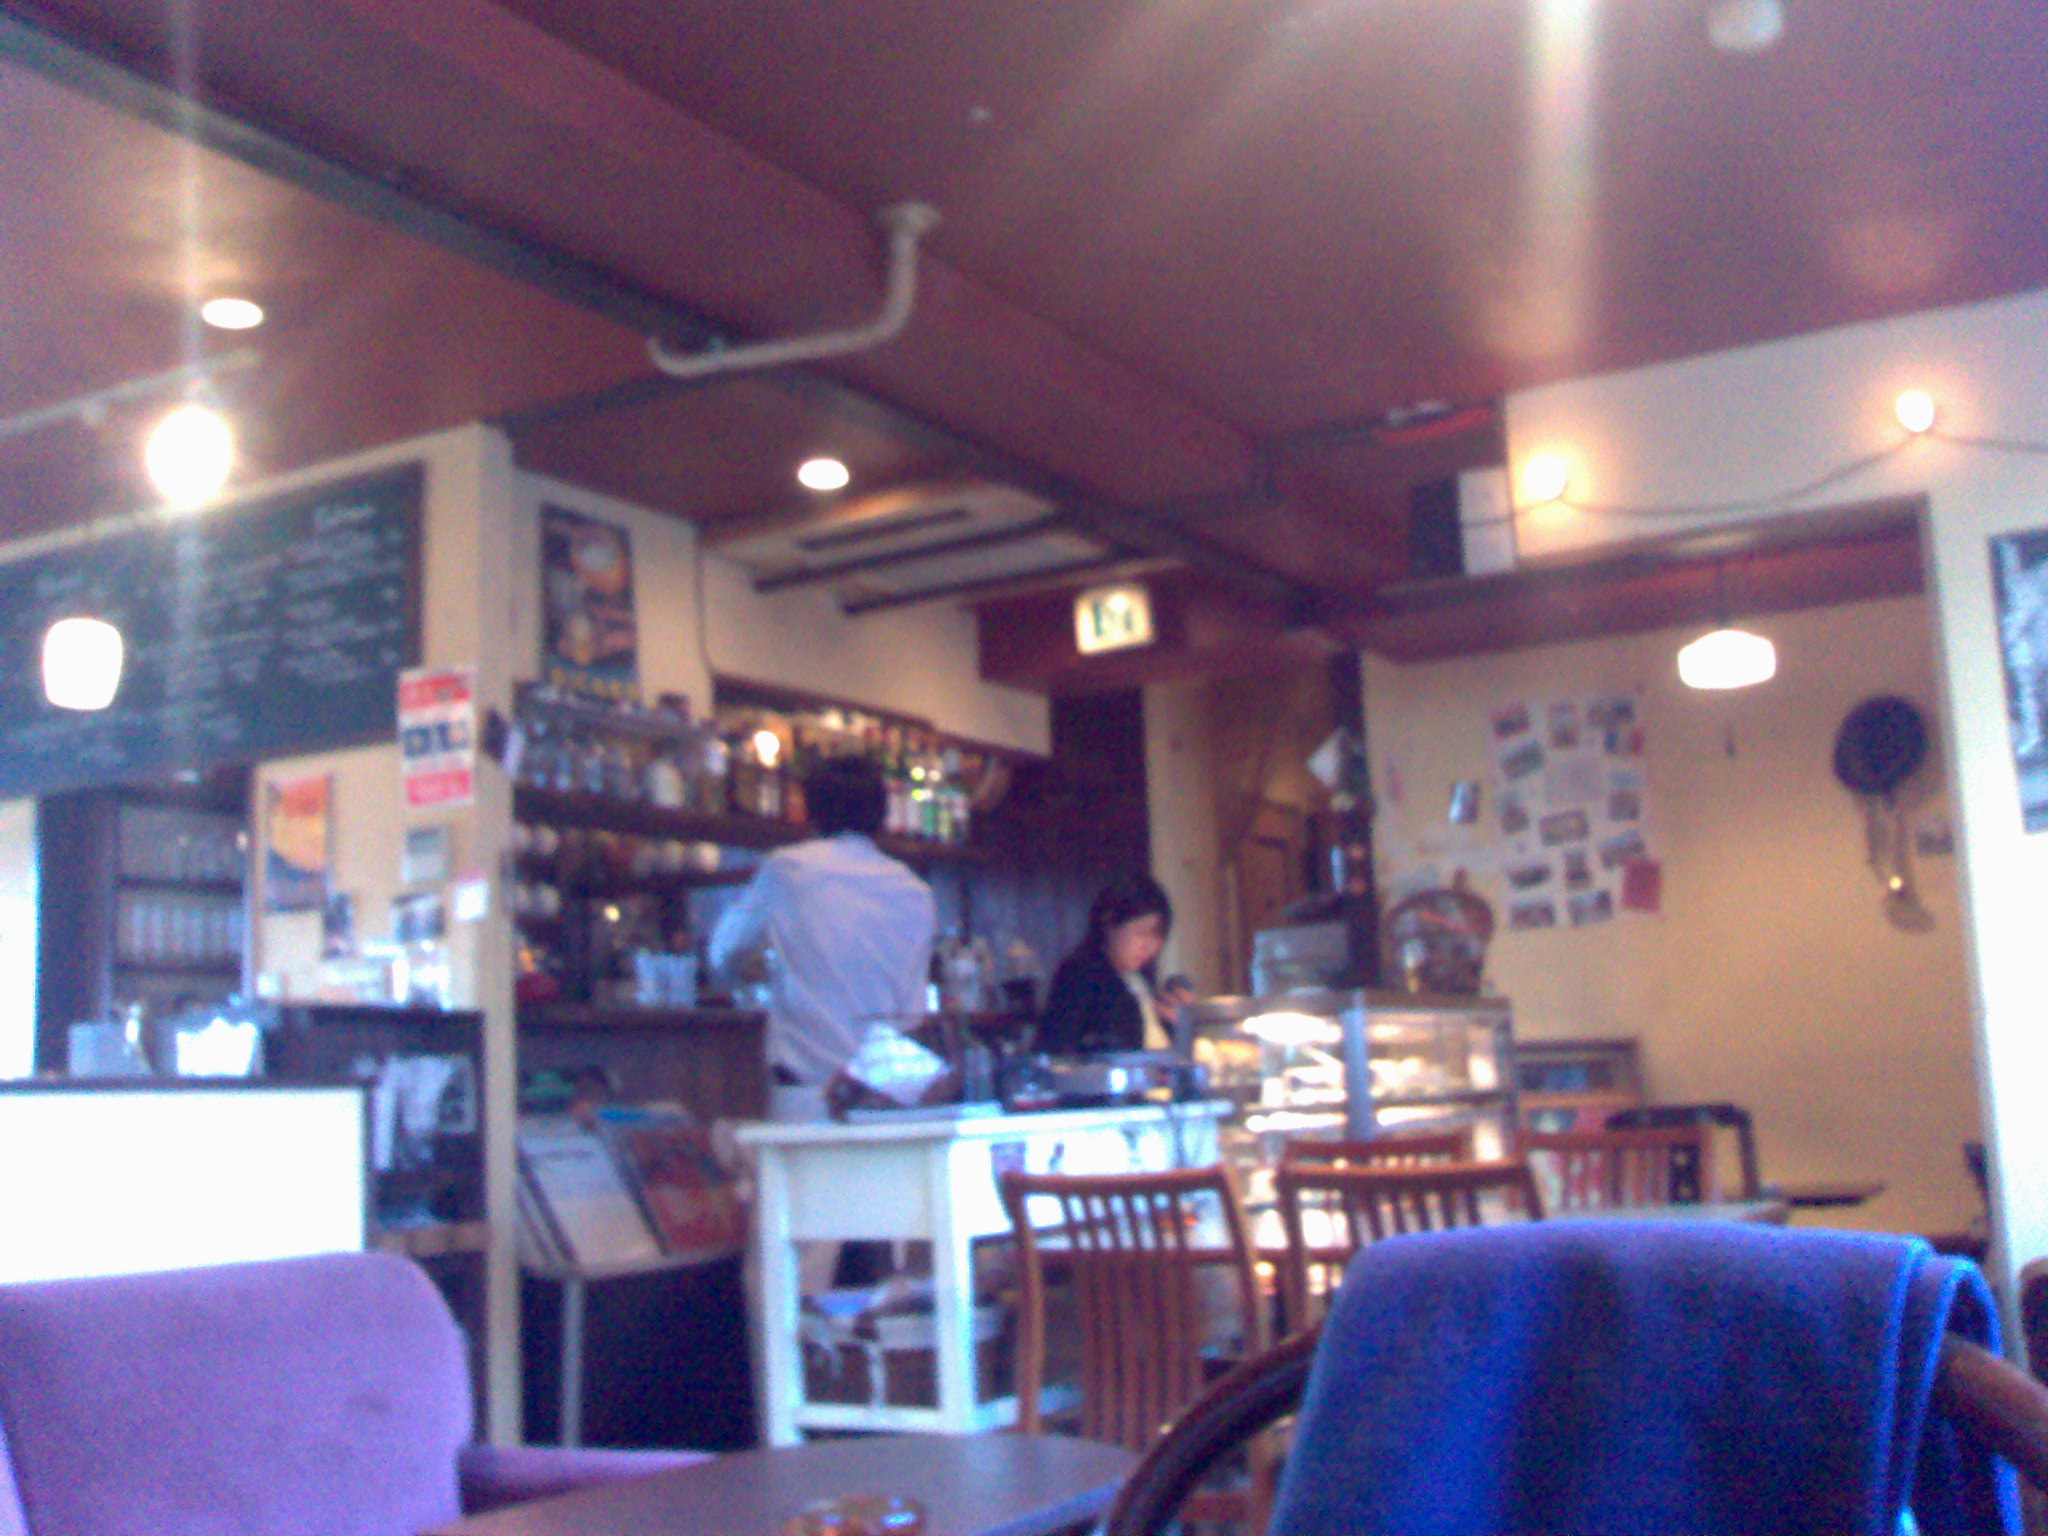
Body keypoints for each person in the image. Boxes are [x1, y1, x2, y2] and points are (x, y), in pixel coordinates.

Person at [709, 753, 937, 1121]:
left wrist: (740, 976)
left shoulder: (789, 869)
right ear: (882, 814)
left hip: (809, 1096)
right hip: (889, 1093)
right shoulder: (915, 890)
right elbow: (912, 1010)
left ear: (811, 809)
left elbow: (723, 952)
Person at [1036, 872, 1181, 1056]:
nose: (1149, 946)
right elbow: (1057, 1049)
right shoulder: (1081, 974)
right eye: (1141, 933)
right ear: (1109, 922)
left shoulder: (1135, 979)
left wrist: (1175, 1024)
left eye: (1158, 936)